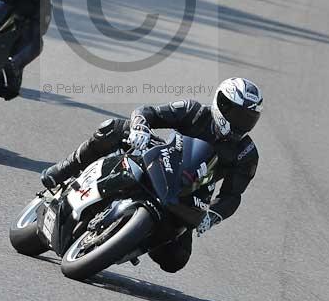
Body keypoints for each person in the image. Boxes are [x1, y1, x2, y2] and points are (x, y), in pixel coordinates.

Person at [40, 78, 262, 273]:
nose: (242, 123)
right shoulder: (194, 111)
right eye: (239, 115)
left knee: (176, 260)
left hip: (191, 192)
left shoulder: (246, 153)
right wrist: (140, 127)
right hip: (163, 159)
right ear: (222, 103)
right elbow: (148, 112)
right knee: (112, 128)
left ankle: (132, 239)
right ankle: (64, 169)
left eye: (249, 119)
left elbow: (233, 195)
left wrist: (212, 216)